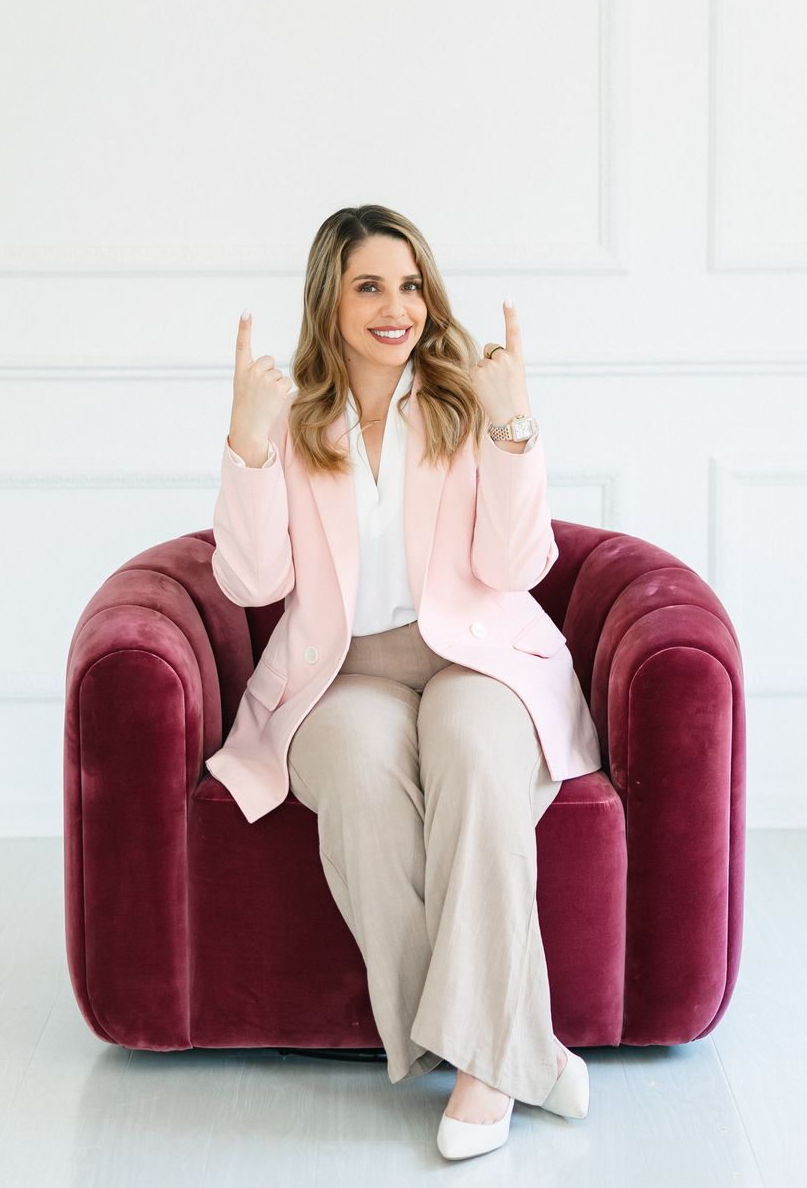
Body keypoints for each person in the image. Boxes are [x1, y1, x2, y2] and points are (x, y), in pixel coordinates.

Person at [208, 204, 597, 1159]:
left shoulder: (465, 402)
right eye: (370, 286)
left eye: (411, 284)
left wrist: (514, 426)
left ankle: (482, 1070)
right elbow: (254, 583)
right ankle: (524, 1052)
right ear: (329, 302)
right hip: (346, 671)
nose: (397, 307)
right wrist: (248, 442)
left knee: (474, 756)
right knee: (359, 783)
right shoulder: (297, 420)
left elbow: (514, 566)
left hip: (478, 656)